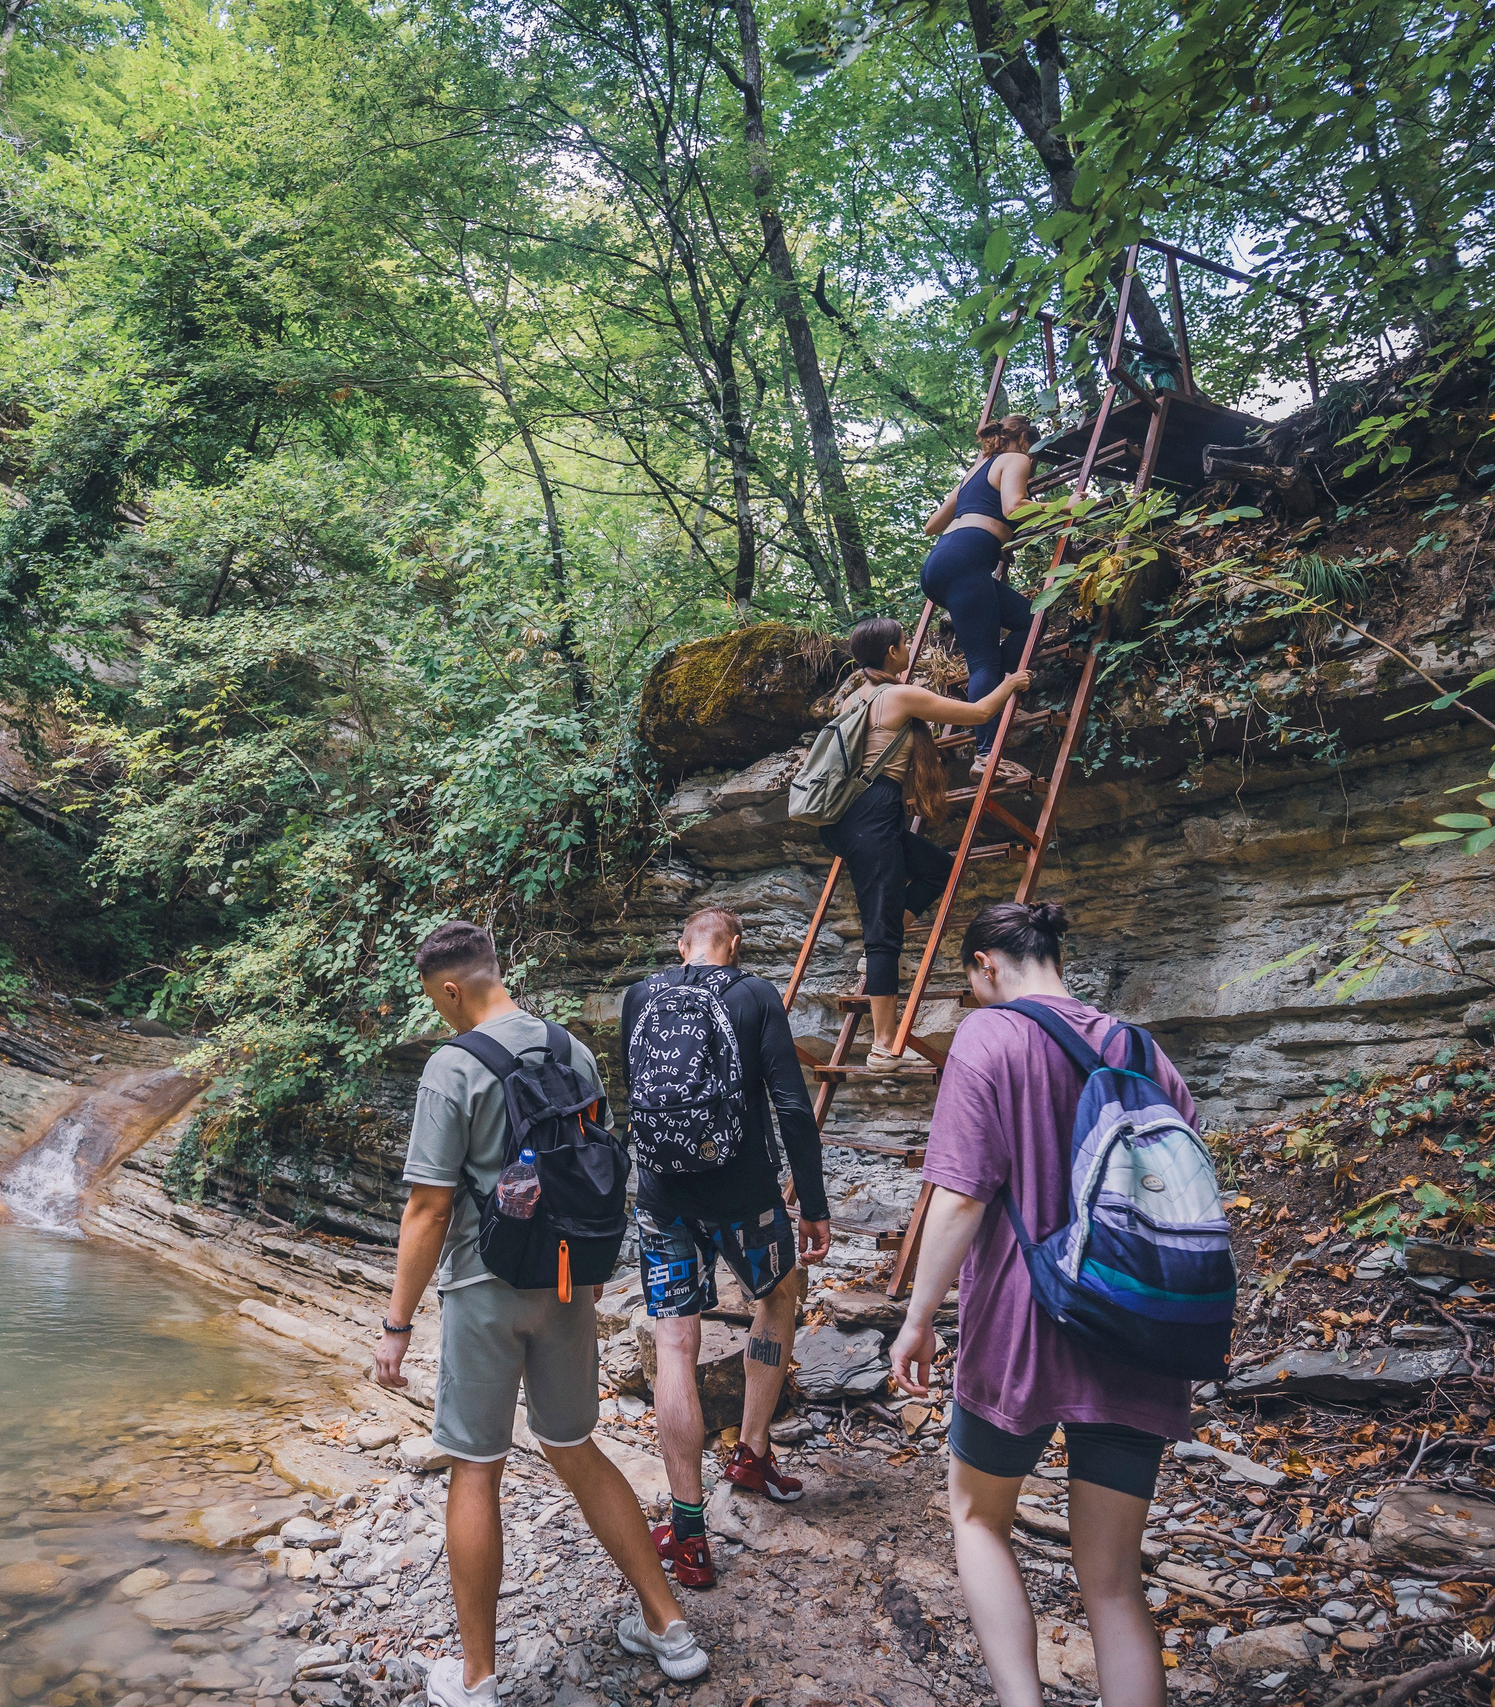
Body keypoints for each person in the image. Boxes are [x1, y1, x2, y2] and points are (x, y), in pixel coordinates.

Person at [375, 921, 709, 1707]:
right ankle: (671, 1628)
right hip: (568, 1284)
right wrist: (587, 1285)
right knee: (575, 1446)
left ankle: (478, 1679)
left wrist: (396, 1325)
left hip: (484, 1287)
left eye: (437, 1002)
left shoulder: (452, 1066)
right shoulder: (571, 1051)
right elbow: (589, 1172)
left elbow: (426, 1209)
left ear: (451, 988)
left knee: (475, 1468)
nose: (440, 1015)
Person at [887, 901, 1195, 1707]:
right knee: (1115, 1583)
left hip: (1024, 1327)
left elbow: (958, 1198)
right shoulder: (1140, 1047)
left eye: (969, 983)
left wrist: (918, 1319)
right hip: (1138, 1327)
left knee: (978, 1517)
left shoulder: (989, 1036)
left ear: (986, 964)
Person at [615, 906, 830, 1590]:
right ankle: (752, 1452)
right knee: (780, 1294)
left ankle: (688, 1535)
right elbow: (793, 1108)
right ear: (733, 946)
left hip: (661, 1195)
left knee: (675, 1343)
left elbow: (638, 1095)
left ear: (681, 946)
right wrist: (814, 1204)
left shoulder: (640, 995)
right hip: (745, 1193)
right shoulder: (755, 993)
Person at [817, 617, 1030, 1072]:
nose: (910, 645)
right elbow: (977, 714)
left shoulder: (856, 696)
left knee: (937, 867)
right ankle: (882, 1045)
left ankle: (880, 942)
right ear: (892, 653)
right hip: (871, 817)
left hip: (856, 818)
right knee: (882, 938)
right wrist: (1009, 683)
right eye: (904, 642)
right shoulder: (897, 695)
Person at [921, 414, 1038, 773]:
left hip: (940, 563)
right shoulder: (1016, 459)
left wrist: (990, 536)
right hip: (966, 560)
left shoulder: (974, 473)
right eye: (1031, 445)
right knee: (983, 662)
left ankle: (996, 693)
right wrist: (1069, 505)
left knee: (1029, 620)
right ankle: (987, 756)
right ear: (1021, 439)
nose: (1032, 456)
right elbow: (1014, 506)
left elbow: (931, 526)